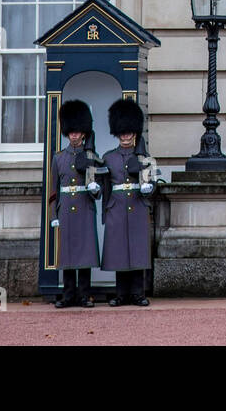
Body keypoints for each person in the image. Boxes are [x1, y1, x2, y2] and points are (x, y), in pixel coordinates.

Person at [101, 97, 155, 307]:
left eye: (129, 132)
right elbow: (105, 186)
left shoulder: (144, 156)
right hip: (116, 207)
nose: (125, 136)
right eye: (122, 132)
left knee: (138, 250)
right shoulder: (109, 157)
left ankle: (138, 293)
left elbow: (151, 180)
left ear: (135, 132)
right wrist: (106, 208)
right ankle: (121, 294)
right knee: (118, 252)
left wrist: (148, 188)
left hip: (137, 205)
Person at [48, 99, 102, 308]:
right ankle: (68, 294)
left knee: (85, 253)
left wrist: (95, 190)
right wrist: (53, 215)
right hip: (66, 209)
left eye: (78, 132)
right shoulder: (59, 158)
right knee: (68, 254)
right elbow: (54, 190)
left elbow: (99, 186)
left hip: (84, 206)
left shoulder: (91, 156)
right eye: (71, 132)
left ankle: (84, 294)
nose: (74, 135)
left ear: (83, 133)